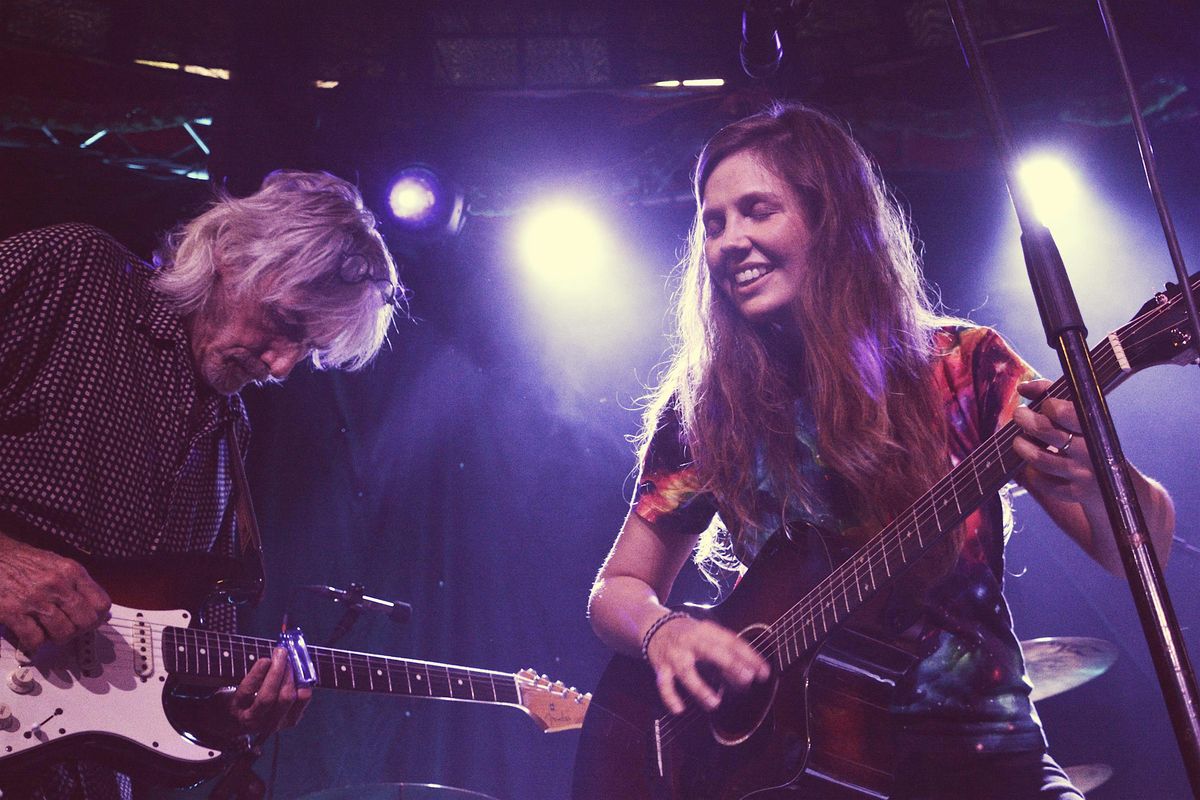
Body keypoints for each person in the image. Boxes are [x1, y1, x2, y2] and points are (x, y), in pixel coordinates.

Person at [586, 103, 1175, 798]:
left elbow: (1136, 548)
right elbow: (615, 589)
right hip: (797, 775)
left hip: (985, 753)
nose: (728, 241)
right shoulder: (707, 410)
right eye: (713, 223)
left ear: (830, 224)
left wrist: (1090, 469)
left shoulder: (964, 367)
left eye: (757, 210)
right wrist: (664, 632)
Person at [0, 170, 402, 799]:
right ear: (231, 252)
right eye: (286, 322)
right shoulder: (73, 273)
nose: (282, 365)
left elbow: (173, 680)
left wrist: (226, 714)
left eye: (309, 349)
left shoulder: (230, 433)